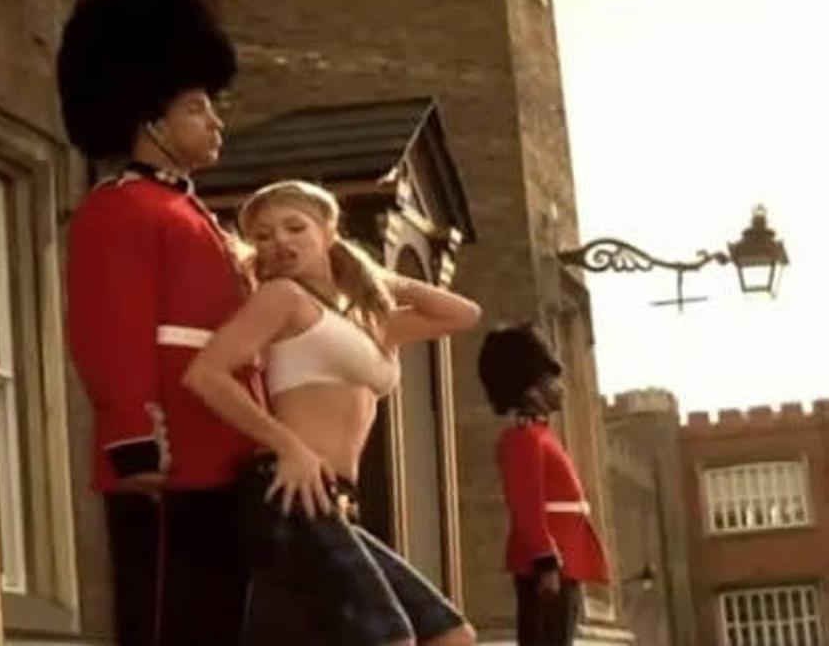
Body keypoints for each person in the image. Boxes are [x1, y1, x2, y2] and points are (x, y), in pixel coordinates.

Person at [181, 180, 480, 646]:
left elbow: (462, 313)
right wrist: (289, 446)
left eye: (295, 227)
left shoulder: (368, 321)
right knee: (388, 636)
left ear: (329, 231)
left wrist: (374, 276)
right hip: (286, 485)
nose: (279, 242)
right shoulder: (281, 298)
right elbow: (205, 374)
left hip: (335, 497)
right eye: (262, 236)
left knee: (450, 635)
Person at [58, 0, 260, 645]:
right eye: (197, 107)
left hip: (222, 454)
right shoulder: (118, 209)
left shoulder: (188, 211)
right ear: (150, 119)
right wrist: (134, 445)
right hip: (171, 462)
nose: (215, 120)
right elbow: (109, 336)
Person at [477, 323, 610, 646]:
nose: (560, 388)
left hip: (564, 558)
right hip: (549, 564)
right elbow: (526, 506)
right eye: (550, 380)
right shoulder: (523, 439)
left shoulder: (539, 436)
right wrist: (546, 562)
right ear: (530, 391)